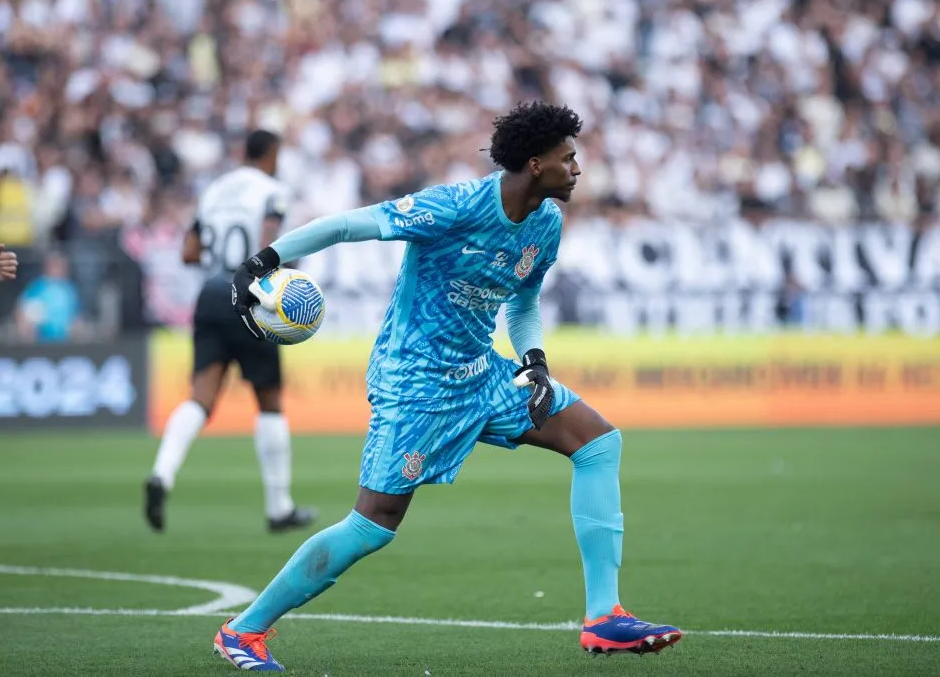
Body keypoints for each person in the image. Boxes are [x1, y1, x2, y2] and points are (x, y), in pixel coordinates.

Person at [213, 103, 680, 672]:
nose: (578, 168)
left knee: (598, 442)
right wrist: (262, 261)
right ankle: (243, 631)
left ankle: (604, 619)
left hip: (483, 372)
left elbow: (524, 302)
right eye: (569, 157)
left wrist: (534, 361)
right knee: (372, 526)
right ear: (536, 164)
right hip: (416, 381)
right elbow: (345, 224)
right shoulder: (456, 206)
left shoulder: (546, 223)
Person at [144, 129, 316, 535]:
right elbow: (269, 242)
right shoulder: (272, 190)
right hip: (250, 297)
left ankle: (161, 475)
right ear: (272, 153)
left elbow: (188, 252)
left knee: (201, 397)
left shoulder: (215, 191)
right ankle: (279, 507)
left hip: (209, 295)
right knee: (269, 400)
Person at [14, 249, 81, 342]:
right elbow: (21, 310)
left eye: (61, 266)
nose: (58, 269)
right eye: (55, 265)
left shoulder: (69, 289)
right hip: (40, 341)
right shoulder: (37, 287)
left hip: (65, 341)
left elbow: (77, 315)